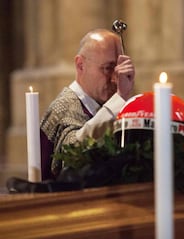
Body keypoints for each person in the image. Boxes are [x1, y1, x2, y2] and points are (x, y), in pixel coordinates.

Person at [40, 28, 135, 180]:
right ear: (80, 65)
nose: (115, 79)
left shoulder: (103, 103)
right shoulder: (64, 107)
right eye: (108, 68)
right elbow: (75, 155)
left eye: (119, 71)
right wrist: (120, 97)